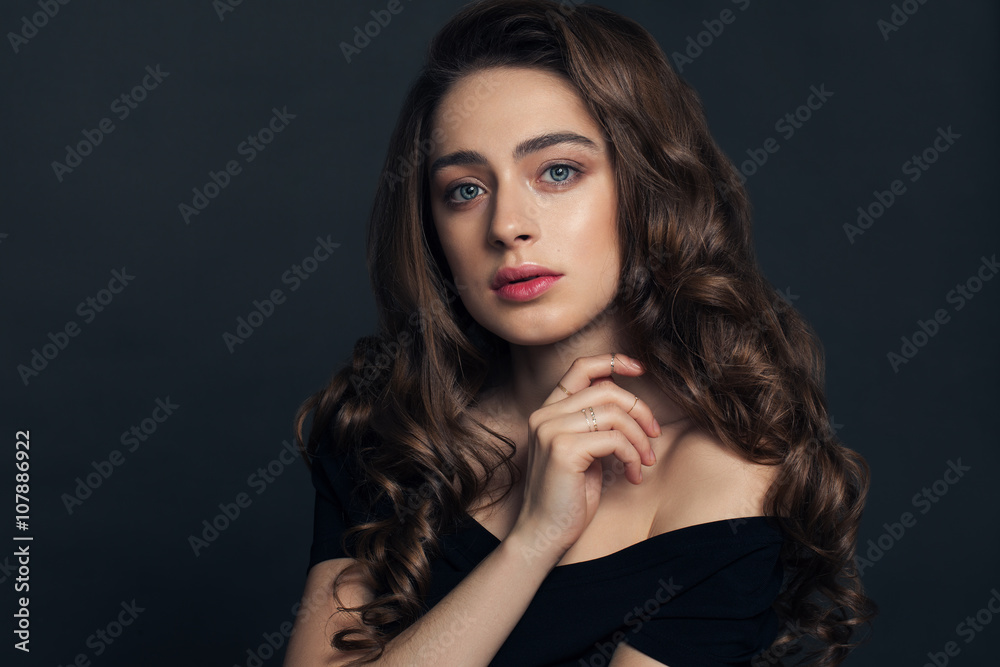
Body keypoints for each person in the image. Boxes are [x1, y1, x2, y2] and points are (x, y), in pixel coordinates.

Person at [283, 1, 876, 665]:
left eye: (558, 171)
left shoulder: (724, 487)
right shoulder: (387, 429)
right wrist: (533, 542)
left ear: (645, 188)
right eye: (465, 189)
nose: (507, 223)